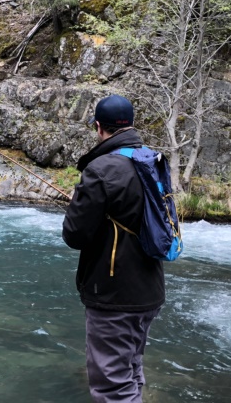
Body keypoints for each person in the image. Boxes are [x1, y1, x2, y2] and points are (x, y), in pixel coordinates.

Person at [62, 94, 165, 403]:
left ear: (98, 127)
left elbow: (74, 235)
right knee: (131, 370)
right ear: (131, 124)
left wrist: (77, 202)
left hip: (114, 294)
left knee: (112, 386)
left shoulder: (101, 170)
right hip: (149, 291)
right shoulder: (152, 160)